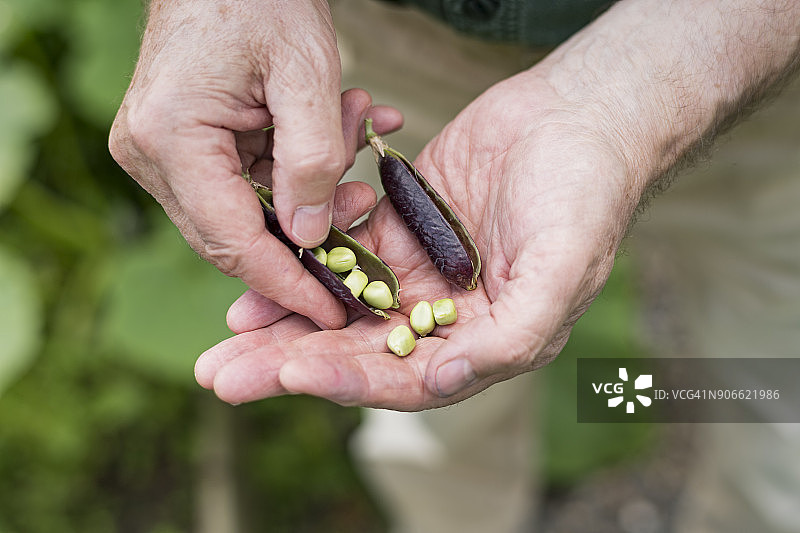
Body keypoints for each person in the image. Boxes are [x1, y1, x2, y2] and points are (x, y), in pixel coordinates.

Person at [110, 0, 800, 531]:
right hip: (400, 36)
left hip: (749, 56)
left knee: (778, 391)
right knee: (442, 422)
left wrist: (625, 97)